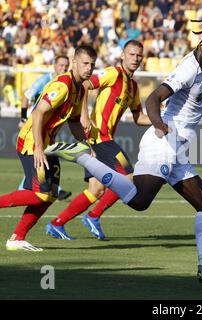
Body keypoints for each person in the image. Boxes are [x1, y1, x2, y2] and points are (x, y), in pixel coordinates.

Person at [44, 7, 202, 278]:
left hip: (177, 149)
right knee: (138, 201)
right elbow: (153, 98)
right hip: (164, 142)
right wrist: (158, 123)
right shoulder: (188, 69)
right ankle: (81, 154)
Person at [46, 40, 151, 240]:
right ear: (122, 55)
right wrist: (84, 115)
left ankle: (56, 223)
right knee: (129, 180)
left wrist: (159, 120)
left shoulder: (134, 87)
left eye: (139, 55)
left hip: (103, 140)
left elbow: (138, 118)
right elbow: (85, 85)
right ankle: (93, 216)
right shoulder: (112, 73)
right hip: (99, 138)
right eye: (131, 54)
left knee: (96, 189)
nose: (135, 59)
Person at [0, 45, 97, 251]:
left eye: (92, 64)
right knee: (41, 194)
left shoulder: (79, 89)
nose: (89, 68)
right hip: (32, 143)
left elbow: (73, 122)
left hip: (48, 145)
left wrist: (87, 145)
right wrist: (38, 147)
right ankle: (16, 237)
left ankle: (17, 238)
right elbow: (37, 114)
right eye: (85, 63)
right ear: (75, 63)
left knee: (51, 193)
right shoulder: (62, 86)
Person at [18, 55, 72, 201]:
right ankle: (49, 190)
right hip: (34, 128)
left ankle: (48, 189)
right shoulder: (45, 80)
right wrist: (23, 118)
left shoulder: (67, 84)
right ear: (54, 65)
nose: (64, 68)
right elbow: (26, 96)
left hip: (47, 133)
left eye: (66, 65)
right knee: (38, 161)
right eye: (61, 65)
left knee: (41, 163)